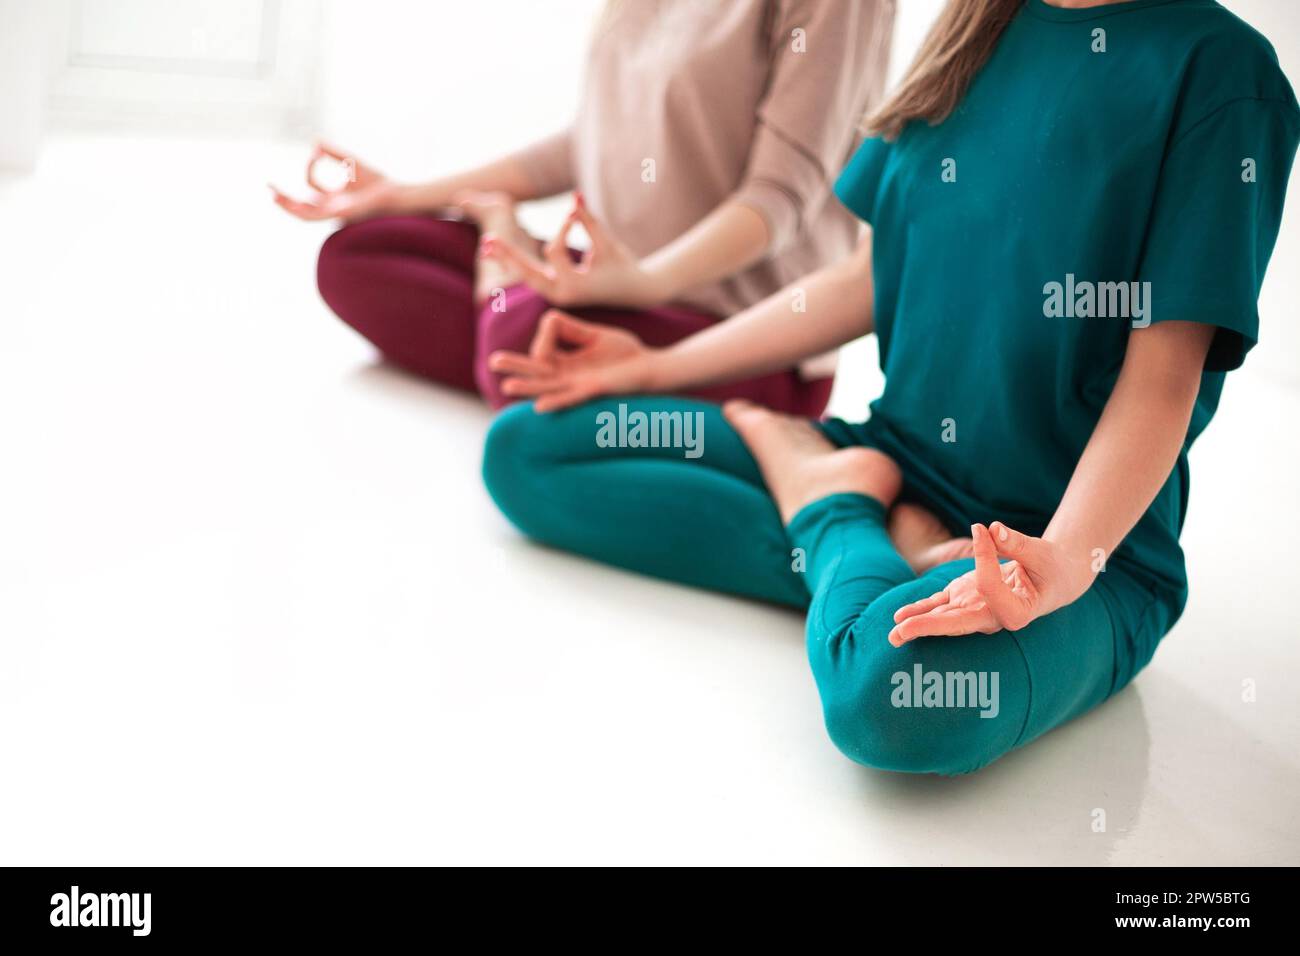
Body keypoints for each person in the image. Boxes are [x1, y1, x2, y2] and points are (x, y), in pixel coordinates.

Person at [480, 0, 1300, 774]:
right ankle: (871, 529)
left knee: (891, 701)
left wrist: (1062, 563)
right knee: (529, 450)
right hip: (893, 455)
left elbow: (1163, 380)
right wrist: (651, 367)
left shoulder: (1226, 74)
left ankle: (829, 510)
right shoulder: (979, 24)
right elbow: (866, 276)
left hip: (1066, 551)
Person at [272, 0, 895, 414]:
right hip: (606, 286)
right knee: (359, 253)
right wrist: (405, 194)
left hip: (734, 332)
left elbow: (777, 198)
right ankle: (523, 322)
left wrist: (643, 281)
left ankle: (512, 315)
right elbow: (590, 140)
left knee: (521, 338)